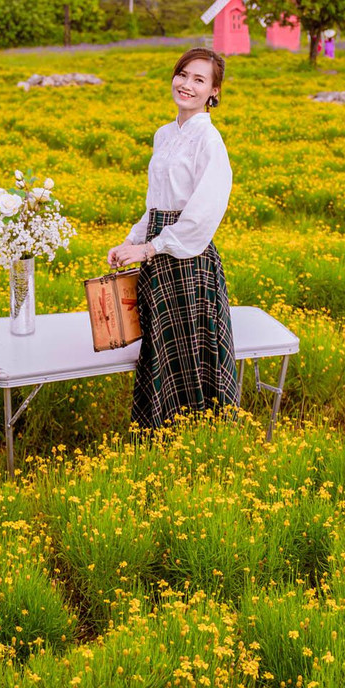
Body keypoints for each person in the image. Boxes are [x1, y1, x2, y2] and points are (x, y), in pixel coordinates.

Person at [106, 47, 238, 429]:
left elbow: (202, 216)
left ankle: (198, 441)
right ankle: (158, 438)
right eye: (183, 74)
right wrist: (131, 241)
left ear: (214, 92)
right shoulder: (164, 135)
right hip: (156, 254)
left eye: (200, 80)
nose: (187, 85)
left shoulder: (209, 142)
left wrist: (149, 248)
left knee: (190, 355)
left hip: (188, 261)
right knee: (159, 351)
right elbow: (156, 202)